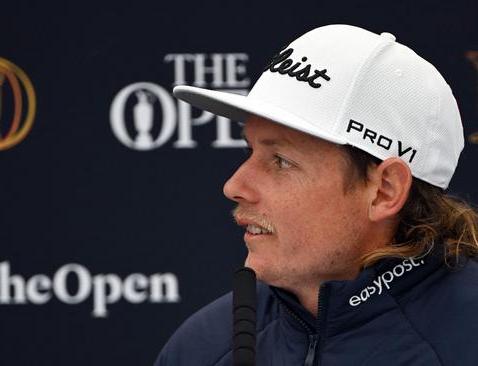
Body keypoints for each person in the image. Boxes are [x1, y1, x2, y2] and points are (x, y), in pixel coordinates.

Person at [154, 24, 478, 366]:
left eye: (281, 161)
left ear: (385, 191)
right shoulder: (202, 348)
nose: (234, 186)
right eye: (249, 150)